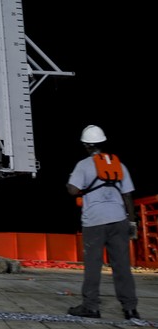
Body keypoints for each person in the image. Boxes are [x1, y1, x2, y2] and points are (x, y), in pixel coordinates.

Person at [66, 124, 139, 320]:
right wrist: (132, 223)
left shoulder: (83, 165)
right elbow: (128, 196)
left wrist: (72, 183)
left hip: (95, 222)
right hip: (119, 220)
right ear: (102, 143)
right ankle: (130, 309)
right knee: (122, 265)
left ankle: (91, 307)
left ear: (86, 145)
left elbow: (73, 190)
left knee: (93, 265)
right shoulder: (119, 164)